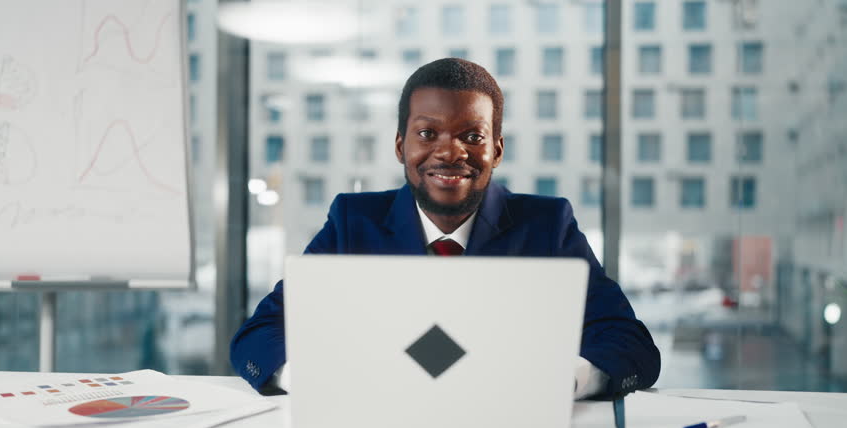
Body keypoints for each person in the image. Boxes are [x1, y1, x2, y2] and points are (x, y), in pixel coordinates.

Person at [231, 58, 660, 399]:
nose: (450, 152)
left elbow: (630, 345)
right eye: (427, 133)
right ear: (401, 145)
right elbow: (260, 334)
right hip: (379, 425)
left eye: (472, 136)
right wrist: (312, 380)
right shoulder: (352, 222)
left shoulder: (547, 226)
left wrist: (563, 380)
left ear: (497, 150)